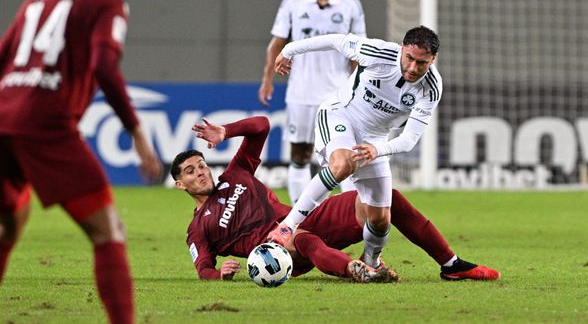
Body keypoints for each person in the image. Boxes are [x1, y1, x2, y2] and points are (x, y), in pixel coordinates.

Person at [0, 0, 162, 324]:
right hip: (46, 124)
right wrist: (136, 132)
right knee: (109, 232)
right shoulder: (106, 3)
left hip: (3, 117)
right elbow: (104, 65)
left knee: (9, 222)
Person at [171, 115, 499, 282]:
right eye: (190, 171)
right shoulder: (198, 229)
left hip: (304, 217)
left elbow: (262, 125)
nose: (200, 172)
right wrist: (220, 274)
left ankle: (451, 265)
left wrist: (226, 132)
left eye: (201, 165)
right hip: (276, 247)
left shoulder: (236, 174)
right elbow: (203, 268)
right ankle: (357, 270)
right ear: (179, 185)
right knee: (304, 239)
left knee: (386, 200)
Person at [268, 26, 443, 275]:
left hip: (375, 140)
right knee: (343, 164)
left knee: (380, 218)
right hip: (340, 115)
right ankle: (287, 226)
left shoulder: (432, 88)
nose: (413, 68)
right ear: (402, 48)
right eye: (409, 58)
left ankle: (372, 262)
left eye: (421, 63)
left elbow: (409, 140)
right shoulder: (377, 53)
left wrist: (377, 149)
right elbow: (335, 40)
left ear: (433, 59)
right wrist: (289, 50)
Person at [258, 0, 366, 204]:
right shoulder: (293, 3)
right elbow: (277, 43)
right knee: (300, 155)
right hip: (301, 93)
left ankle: (348, 214)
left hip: (338, 95)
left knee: (343, 155)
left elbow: (359, 51)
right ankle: (303, 215)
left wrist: (359, 87)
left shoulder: (350, 5)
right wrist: (267, 78)